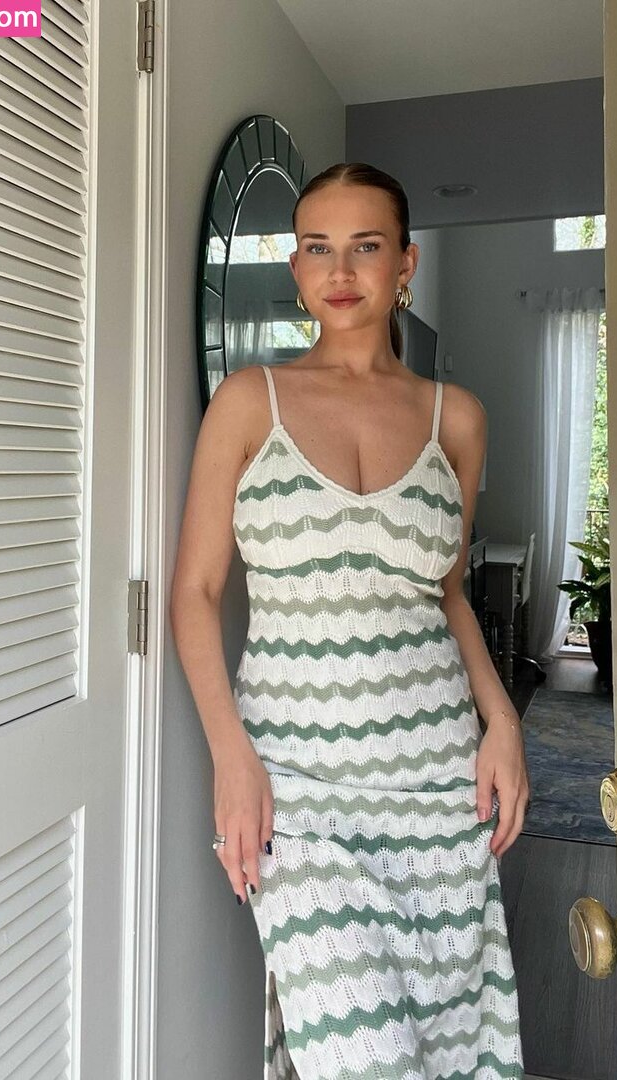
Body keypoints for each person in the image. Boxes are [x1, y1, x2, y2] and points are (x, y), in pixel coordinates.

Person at [170, 161, 529, 1079]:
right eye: (318, 248)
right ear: (296, 268)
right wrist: (231, 757)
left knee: (444, 1044)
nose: (340, 269)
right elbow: (196, 595)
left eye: (365, 247)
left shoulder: (457, 420)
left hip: (436, 786)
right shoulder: (249, 402)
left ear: (405, 263)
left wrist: (502, 723)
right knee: (365, 1053)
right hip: (295, 786)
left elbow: (449, 593)